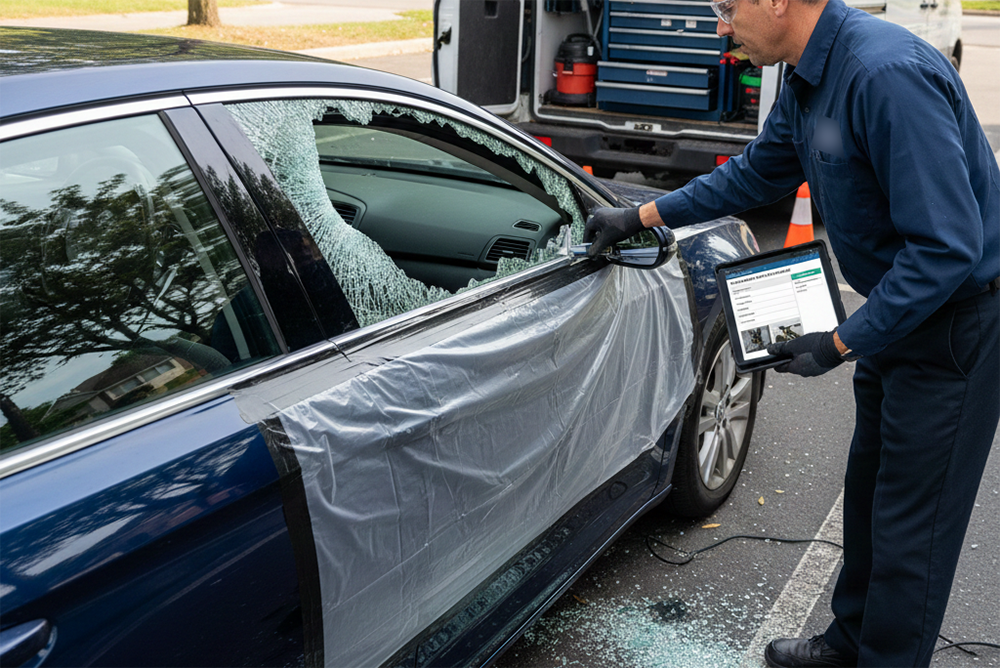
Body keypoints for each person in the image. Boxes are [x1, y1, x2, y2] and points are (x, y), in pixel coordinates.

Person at [583, 0, 1000, 664]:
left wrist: (838, 342)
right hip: (899, 313)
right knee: (868, 502)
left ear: (777, 1)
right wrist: (642, 217)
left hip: (952, 328)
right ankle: (847, 644)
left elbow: (946, 251)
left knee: (911, 535)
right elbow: (758, 171)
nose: (721, 26)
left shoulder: (883, 74)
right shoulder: (809, 75)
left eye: (728, 7)